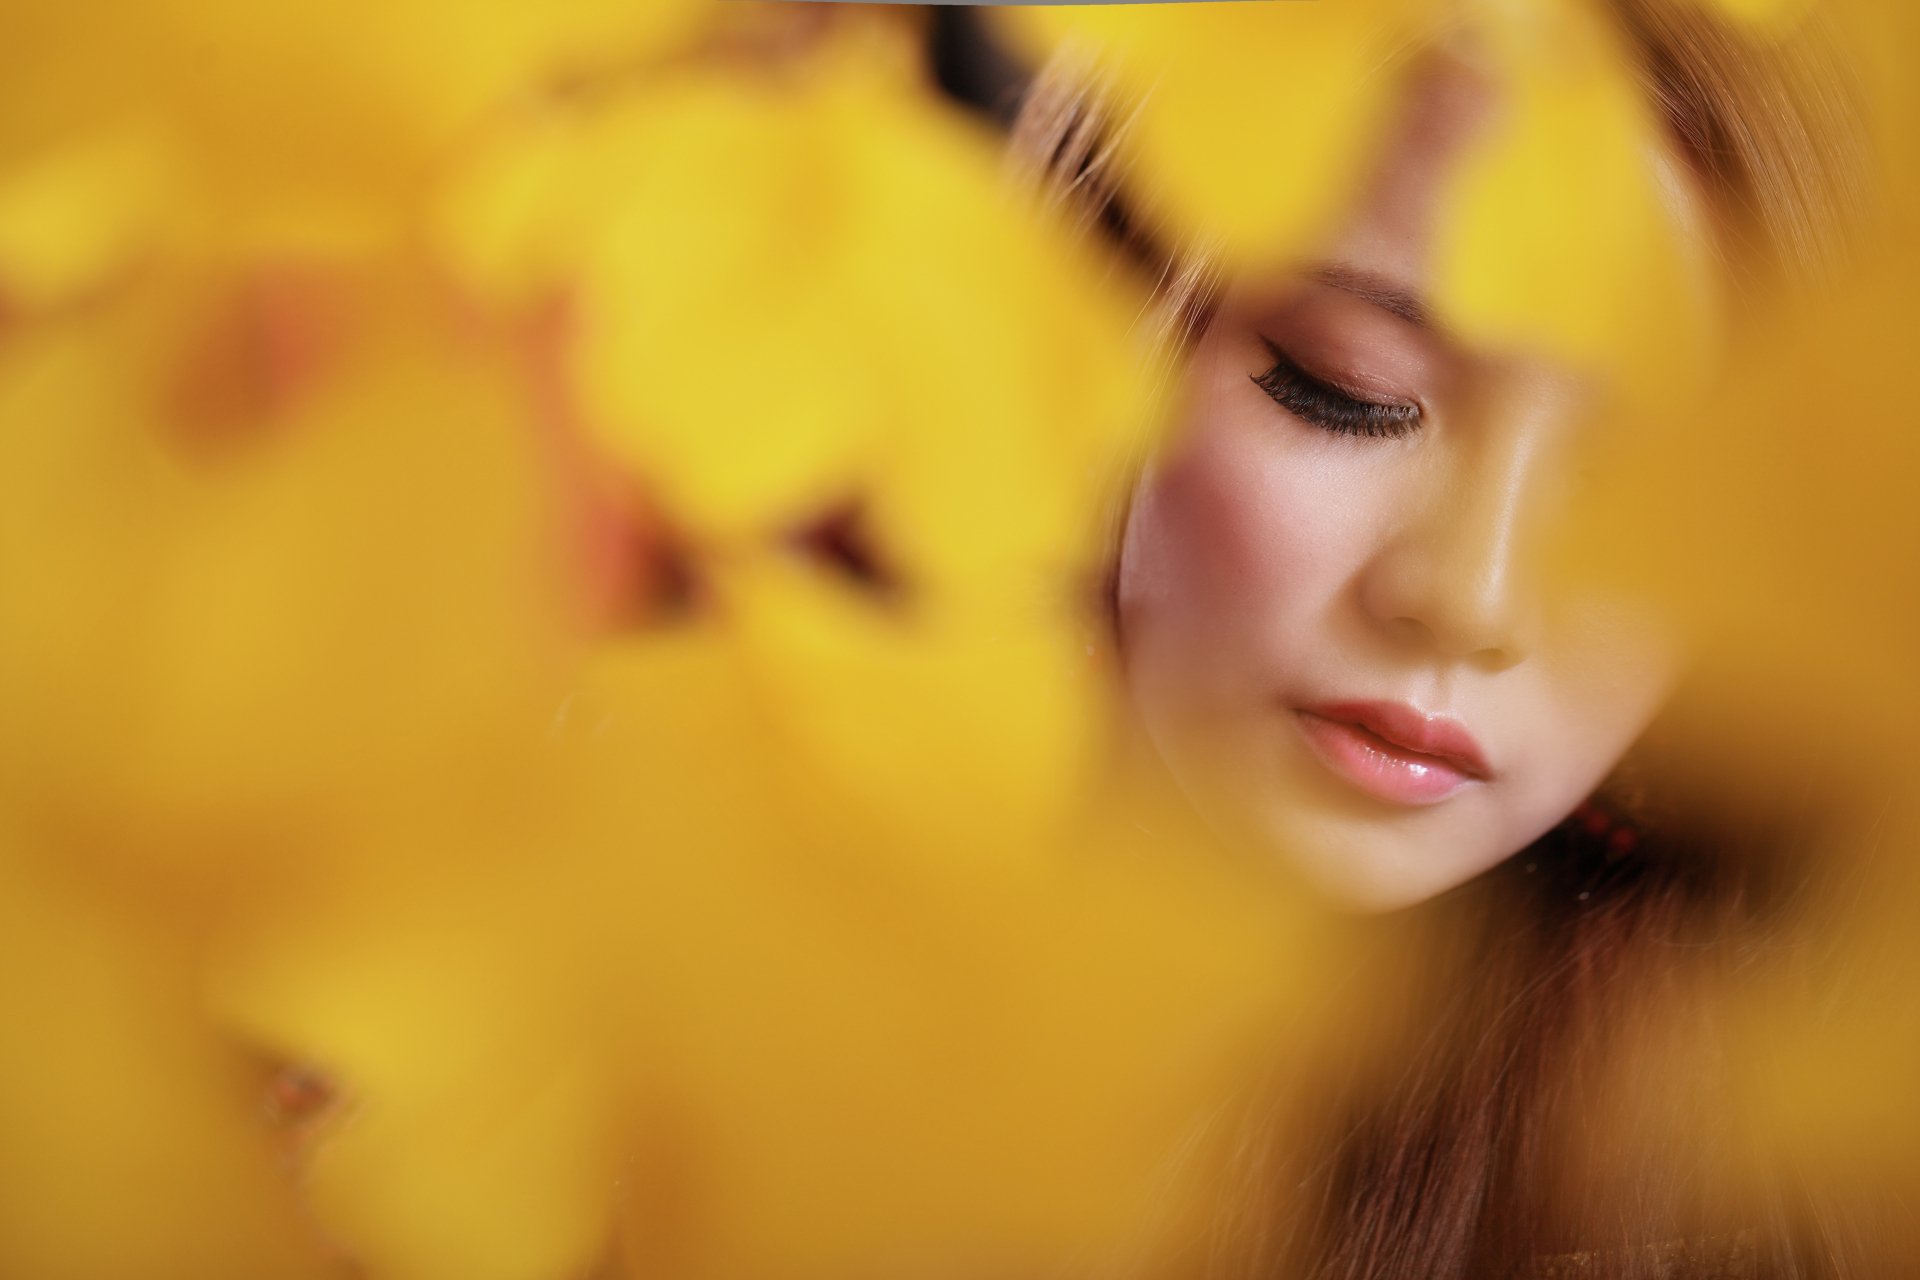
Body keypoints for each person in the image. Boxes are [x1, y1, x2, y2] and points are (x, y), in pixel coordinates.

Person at [1008, 1, 1872, 1276]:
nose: (1474, 595)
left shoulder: (1787, 1195)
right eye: (1344, 388)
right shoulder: (669, 996)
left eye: (1641, 499)